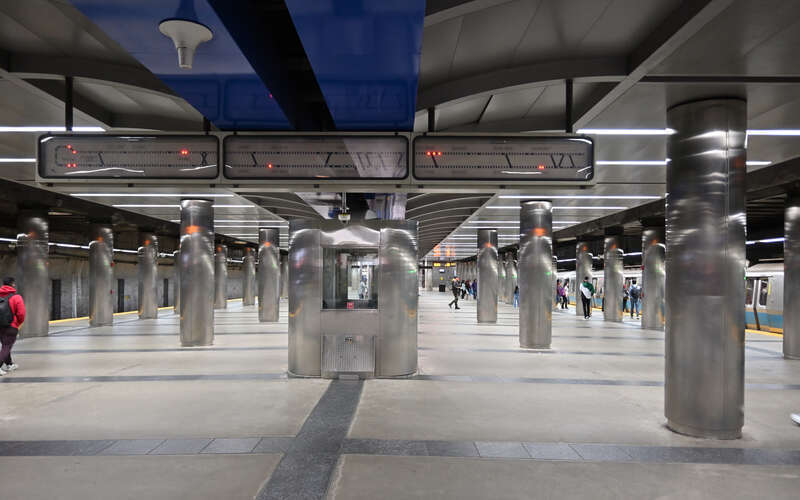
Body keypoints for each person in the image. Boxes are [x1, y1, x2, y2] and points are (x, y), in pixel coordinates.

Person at [0, 277, 25, 376]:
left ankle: (9, 364)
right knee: (7, 346)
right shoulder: (16, 297)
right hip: (11, 326)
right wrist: (18, 323)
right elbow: (21, 314)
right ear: (12, 284)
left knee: (5, 345)